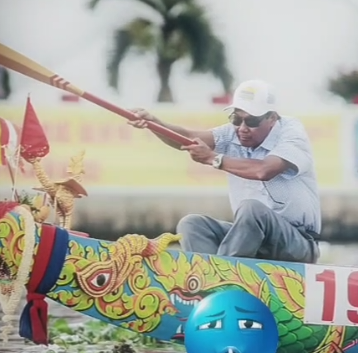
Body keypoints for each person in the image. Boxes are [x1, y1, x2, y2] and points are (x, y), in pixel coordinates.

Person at [129, 79, 321, 263]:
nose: (242, 128)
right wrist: (153, 123)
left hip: (297, 244)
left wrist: (214, 159)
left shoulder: (291, 132)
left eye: (251, 121)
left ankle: (222, 273)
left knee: (252, 209)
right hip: (255, 241)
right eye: (236, 119)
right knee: (192, 224)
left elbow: (264, 170)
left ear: (272, 118)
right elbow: (188, 138)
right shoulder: (232, 132)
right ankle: (207, 276)